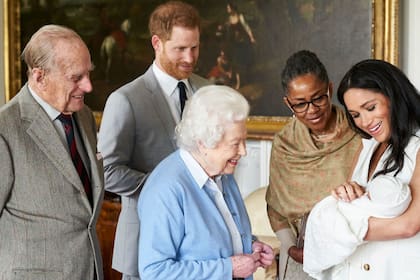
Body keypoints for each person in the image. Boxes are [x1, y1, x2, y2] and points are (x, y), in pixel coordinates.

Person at [97, 1, 210, 279]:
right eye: (180, 49)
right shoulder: (125, 100)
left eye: (194, 47)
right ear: (157, 43)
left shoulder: (208, 90)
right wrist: (166, 186)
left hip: (201, 248)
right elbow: (107, 172)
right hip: (145, 244)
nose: (190, 57)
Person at [137, 85, 275, 279]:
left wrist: (251, 246)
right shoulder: (166, 190)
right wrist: (228, 269)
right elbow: (155, 272)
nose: (243, 151)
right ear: (203, 143)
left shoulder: (222, 173)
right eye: (235, 143)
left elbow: (212, 242)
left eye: (244, 140)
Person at [0, 25, 104, 279]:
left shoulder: (85, 117)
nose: (88, 86)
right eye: (76, 77)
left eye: (88, 74)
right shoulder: (5, 129)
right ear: (39, 77)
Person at [310, 59, 420, 279]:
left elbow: (409, 225)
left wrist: (336, 227)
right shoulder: (367, 147)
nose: (365, 121)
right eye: (355, 115)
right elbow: (353, 204)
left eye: (370, 108)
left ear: (394, 96)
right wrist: (346, 193)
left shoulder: (417, 147)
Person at [265, 50, 361, 280]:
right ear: (288, 103)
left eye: (318, 98)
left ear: (329, 88)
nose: (312, 110)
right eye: (300, 104)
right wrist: (291, 248)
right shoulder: (284, 144)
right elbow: (276, 208)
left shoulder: (359, 132)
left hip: (353, 250)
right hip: (300, 255)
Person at [303, 174, 411, 279]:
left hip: (382, 263)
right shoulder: (363, 156)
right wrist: (346, 191)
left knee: (332, 225)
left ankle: (312, 253)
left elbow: (408, 227)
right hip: (349, 263)